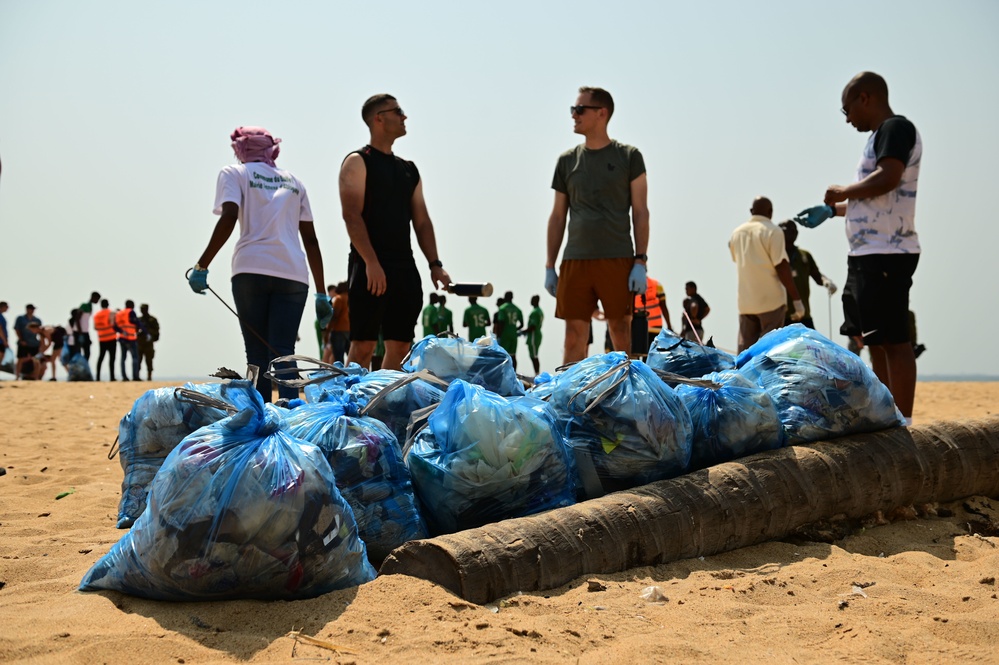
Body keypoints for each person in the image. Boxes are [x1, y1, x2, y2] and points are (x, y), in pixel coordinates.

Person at [795, 72, 922, 422]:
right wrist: (834, 211)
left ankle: (904, 420)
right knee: (874, 339)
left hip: (888, 252)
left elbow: (889, 177)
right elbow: (877, 196)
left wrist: (843, 191)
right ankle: (887, 413)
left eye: (846, 109)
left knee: (895, 339)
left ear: (865, 98)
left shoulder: (895, 129)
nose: (848, 118)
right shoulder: (877, 138)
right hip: (867, 253)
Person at [189, 126, 330, 402]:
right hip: (293, 274)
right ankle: (292, 415)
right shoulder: (294, 182)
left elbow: (228, 217)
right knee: (283, 351)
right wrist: (322, 293)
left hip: (250, 270)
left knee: (256, 352)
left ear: (240, 149)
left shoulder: (234, 173)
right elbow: (311, 240)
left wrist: (202, 265)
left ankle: (263, 416)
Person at [339, 94, 453, 371]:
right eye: (398, 111)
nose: (404, 117)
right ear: (379, 118)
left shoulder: (409, 170)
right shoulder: (357, 161)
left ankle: (384, 404)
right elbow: (351, 215)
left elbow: (422, 221)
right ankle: (351, 405)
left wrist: (435, 265)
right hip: (369, 266)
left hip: (404, 266)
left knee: (401, 346)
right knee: (364, 345)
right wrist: (371, 262)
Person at [545, 86, 650, 364]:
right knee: (573, 337)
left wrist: (640, 261)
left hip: (617, 258)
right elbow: (557, 216)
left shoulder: (629, 157)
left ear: (601, 113)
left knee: (620, 333)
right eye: (573, 110)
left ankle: (623, 397)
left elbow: (640, 212)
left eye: (579, 110)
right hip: (576, 259)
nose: (574, 116)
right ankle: (569, 398)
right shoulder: (566, 161)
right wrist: (549, 266)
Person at [729, 197, 804, 352]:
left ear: (751, 211)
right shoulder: (773, 231)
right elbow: (782, 267)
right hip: (771, 302)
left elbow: (737, 259)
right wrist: (796, 300)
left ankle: (742, 376)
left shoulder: (736, 233)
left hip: (746, 302)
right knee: (769, 351)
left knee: (745, 352)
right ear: (770, 212)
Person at [778, 220, 837, 328]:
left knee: (812, 344)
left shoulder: (804, 255)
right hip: (781, 316)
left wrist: (826, 281)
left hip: (803, 314)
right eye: (787, 229)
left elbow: (817, 276)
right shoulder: (775, 255)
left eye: (794, 229)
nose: (792, 232)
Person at [634, 276, 672, 350]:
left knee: (638, 356)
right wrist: (669, 326)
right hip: (654, 328)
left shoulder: (632, 286)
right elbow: (664, 307)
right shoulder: (656, 285)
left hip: (638, 327)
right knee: (651, 355)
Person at [116, 300, 145, 382]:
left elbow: (115, 326)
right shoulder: (131, 312)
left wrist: (121, 331)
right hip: (130, 339)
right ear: (131, 305)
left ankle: (124, 376)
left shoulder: (119, 313)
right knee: (135, 357)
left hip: (122, 338)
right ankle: (135, 376)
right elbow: (137, 322)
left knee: (123, 358)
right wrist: (145, 331)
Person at [92, 299, 118, 381]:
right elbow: (112, 323)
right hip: (111, 338)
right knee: (112, 359)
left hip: (102, 338)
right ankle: (112, 377)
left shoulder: (96, 315)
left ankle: (98, 377)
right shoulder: (111, 313)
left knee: (101, 358)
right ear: (108, 304)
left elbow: (95, 327)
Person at [497, 291, 524, 369]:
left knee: (503, 355)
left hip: (505, 335)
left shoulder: (502, 308)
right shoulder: (517, 309)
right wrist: (514, 328)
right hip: (513, 335)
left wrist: (499, 335)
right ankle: (514, 373)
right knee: (513, 355)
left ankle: (503, 373)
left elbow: (501, 323)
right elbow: (522, 324)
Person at [14, 304, 42, 380]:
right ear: (27, 309)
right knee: (20, 359)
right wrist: (21, 339)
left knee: (36, 360)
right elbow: (17, 329)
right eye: (31, 309)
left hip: (34, 343)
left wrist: (41, 344)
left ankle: (36, 377)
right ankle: (17, 377)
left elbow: (40, 332)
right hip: (23, 342)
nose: (32, 311)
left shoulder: (37, 320)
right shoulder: (20, 319)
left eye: (33, 309)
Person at [519, 295, 544, 375]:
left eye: (532, 300)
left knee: (534, 356)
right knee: (533, 355)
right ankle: (536, 373)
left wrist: (523, 331)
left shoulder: (535, 312)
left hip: (534, 335)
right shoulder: (540, 311)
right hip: (536, 334)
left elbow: (533, 326)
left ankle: (537, 374)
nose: (531, 301)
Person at [137, 303, 159, 381]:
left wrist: (150, 333)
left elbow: (157, 331)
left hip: (149, 344)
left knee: (149, 361)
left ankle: (149, 376)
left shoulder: (152, 320)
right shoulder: (138, 320)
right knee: (138, 360)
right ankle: (137, 376)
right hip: (139, 343)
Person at [77, 291, 100, 364]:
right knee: (81, 352)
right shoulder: (84, 306)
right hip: (80, 332)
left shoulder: (90, 306)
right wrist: (80, 333)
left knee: (87, 353)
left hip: (85, 332)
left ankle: (83, 367)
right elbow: (77, 319)